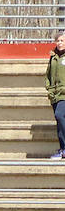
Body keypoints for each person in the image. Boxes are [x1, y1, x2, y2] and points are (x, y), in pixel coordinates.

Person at [47, 30, 65, 160]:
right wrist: (49, 87)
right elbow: (48, 74)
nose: (59, 43)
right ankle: (63, 149)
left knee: (60, 115)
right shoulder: (53, 57)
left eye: (62, 40)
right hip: (55, 94)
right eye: (57, 41)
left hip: (64, 93)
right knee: (59, 122)